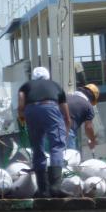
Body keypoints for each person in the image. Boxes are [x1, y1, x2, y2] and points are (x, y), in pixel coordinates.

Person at [18, 66, 71, 197]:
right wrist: (67, 127)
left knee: (37, 148)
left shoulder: (25, 86)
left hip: (30, 110)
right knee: (56, 146)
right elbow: (65, 112)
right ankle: (55, 187)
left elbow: (20, 105)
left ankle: (42, 190)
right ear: (48, 77)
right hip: (50, 109)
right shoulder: (55, 85)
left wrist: (23, 118)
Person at [66, 83, 100, 150]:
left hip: (49, 127)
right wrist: (92, 140)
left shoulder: (67, 96)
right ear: (92, 98)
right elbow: (88, 127)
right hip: (66, 131)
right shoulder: (88, 106)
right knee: (70, 158)